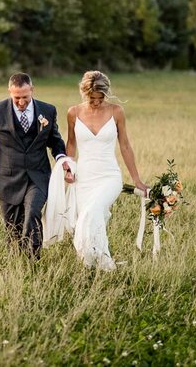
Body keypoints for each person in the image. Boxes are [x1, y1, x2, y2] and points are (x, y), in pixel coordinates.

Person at [57, 70, 147, 270]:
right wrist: (68, 169)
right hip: (84, 177)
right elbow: (71, 144)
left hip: (109, 176)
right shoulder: (73, 112)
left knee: (92, 212)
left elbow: (125, 146)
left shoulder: (116, 111)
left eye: (100, 98)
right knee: (89, 218)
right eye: (92, 98)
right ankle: (91, 263)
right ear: (84, 93)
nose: (96, 102)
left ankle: (102, 263)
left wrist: (137, 179)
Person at [0, 73, 71, 259]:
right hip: (7, 179)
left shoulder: (47, 110)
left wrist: (62, 158)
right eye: (16, 97)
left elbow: (55, 140)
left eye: (25, 97)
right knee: (13, 228)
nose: (21, 102)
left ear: (32, 90)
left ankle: (33, 259)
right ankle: (17, 262)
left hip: (39, 176)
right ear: (10, 92)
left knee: (32, 214)